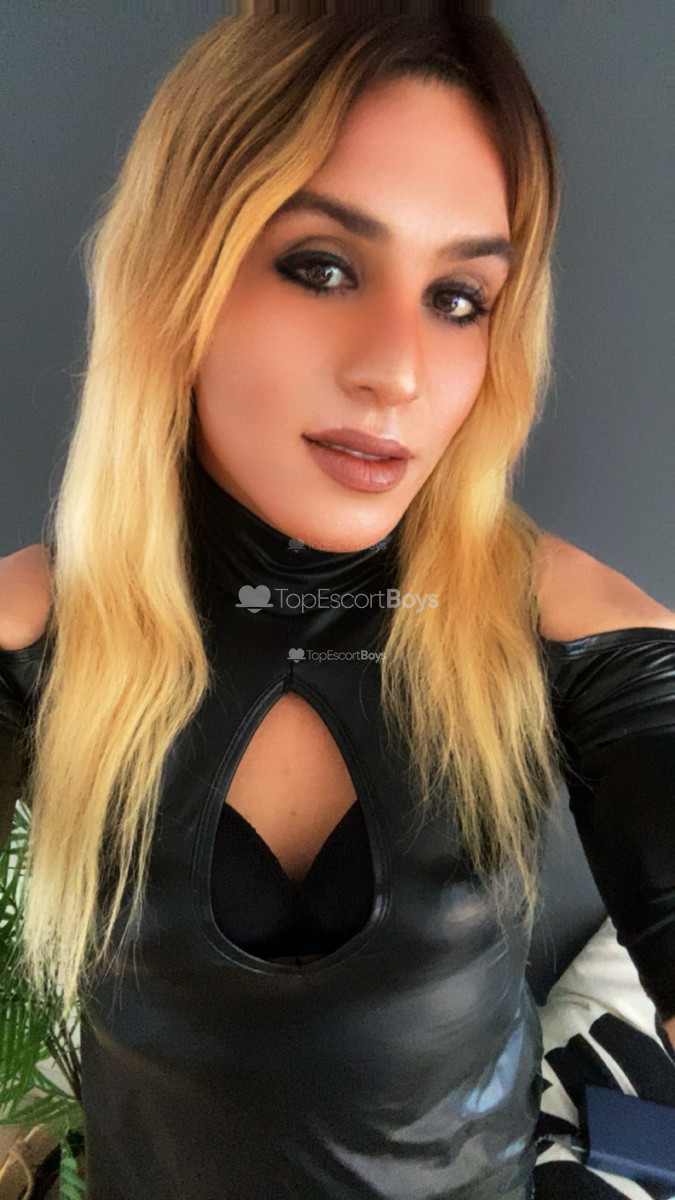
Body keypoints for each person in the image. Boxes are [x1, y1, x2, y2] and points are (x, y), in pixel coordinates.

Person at [1, 12, 674, 1200]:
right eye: (322, 268)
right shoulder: (38, 628)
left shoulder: (568, 621)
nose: (397, 371)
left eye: (458, 297)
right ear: (176, 277)